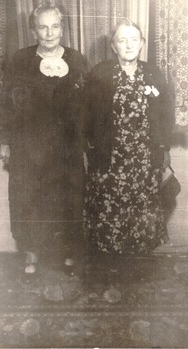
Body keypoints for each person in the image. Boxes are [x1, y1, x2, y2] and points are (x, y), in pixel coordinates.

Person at [0, 1, 88, 273]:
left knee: (68, 198)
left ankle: (68, 253)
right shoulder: (20, 60)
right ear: (34, 31)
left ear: (63, 29)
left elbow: (89, 105)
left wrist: (87, 144)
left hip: (66, 147)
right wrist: (4, 141)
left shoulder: (77, 60)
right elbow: (6, 103)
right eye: (43, 27)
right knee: (29, 198)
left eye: (55, 26)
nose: (49, 33)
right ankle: (32, 254)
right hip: (29, 146)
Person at [84, 19, 174, 257]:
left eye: (134, 39)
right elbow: (86, 116)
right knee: (109, 212)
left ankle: (138, 267)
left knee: (142, 212)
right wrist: (91, 150)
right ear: (113, 46)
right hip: (109, 159)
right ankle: (112, 268)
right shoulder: (100, 73)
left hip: (144, 161)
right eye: (122, 40)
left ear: (142, 43)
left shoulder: (153, 74)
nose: (129, 45)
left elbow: (166, 114)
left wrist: (163, 149)